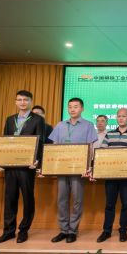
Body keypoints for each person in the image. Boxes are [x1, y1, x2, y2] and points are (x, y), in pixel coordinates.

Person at [0, 90, 46, 244]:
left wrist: (37, 161)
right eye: (19, 100)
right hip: (11, 165)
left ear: (30, 102)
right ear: (16, 102)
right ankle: (8, 231)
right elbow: (4, 141)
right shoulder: (10, 119)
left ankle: (24, 230)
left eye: (25, 100)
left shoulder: (38, 120)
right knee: (10, 198)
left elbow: (40, 141)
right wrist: (1, 159)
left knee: (27, 198)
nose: (22, 102)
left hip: (27, 166)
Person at [48, 97, 96, 244]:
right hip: (62, 169)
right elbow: (54, 147)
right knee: (61, 200)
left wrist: (88, 166)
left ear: (82, 109)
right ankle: (63, 230)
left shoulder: (88, 125)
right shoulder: (60, 125)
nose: (72, 109)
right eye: (70, 106)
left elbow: (90, 148)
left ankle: (73, 231)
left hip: (78, 169)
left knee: (77, 200)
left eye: (76, 106)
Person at [96, 108, 127, 243]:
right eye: (119, 116)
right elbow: (102, 153)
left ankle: (123, 230)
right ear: (116, 118)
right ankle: (107, 231)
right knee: (109, 204)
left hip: (126, 177)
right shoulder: (109, 134)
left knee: (126, 204)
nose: (121, 118)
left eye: (124, 116)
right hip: (111, 176)